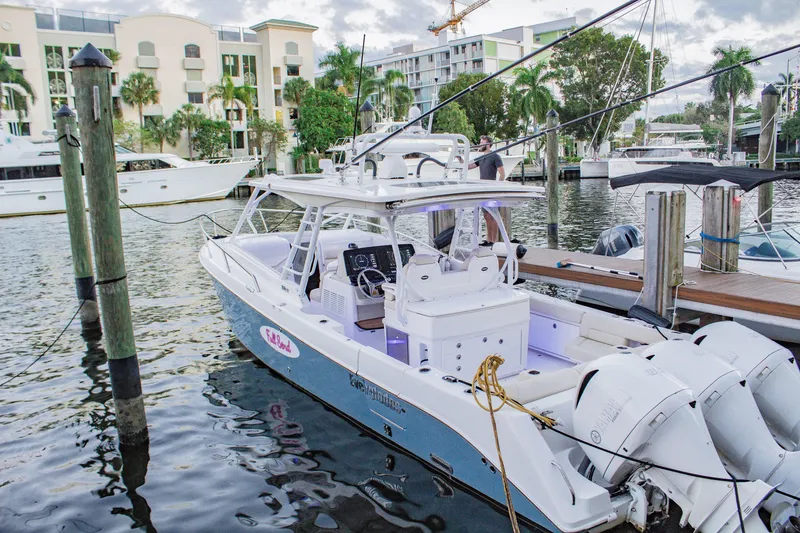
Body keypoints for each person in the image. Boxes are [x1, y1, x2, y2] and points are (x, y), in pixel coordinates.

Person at [469, 135, 505, 242]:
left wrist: (497, 186)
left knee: (493, 216)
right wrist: (460, 161)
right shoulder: (480, 158)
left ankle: (493, 241)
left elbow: (502, 174)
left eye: (482, 142)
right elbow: (469, 166)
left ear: (488, 144)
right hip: (483, 190)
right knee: (486, 216)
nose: (480, 144)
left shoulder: (495, 157)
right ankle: (489, 240)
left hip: (492, 191)